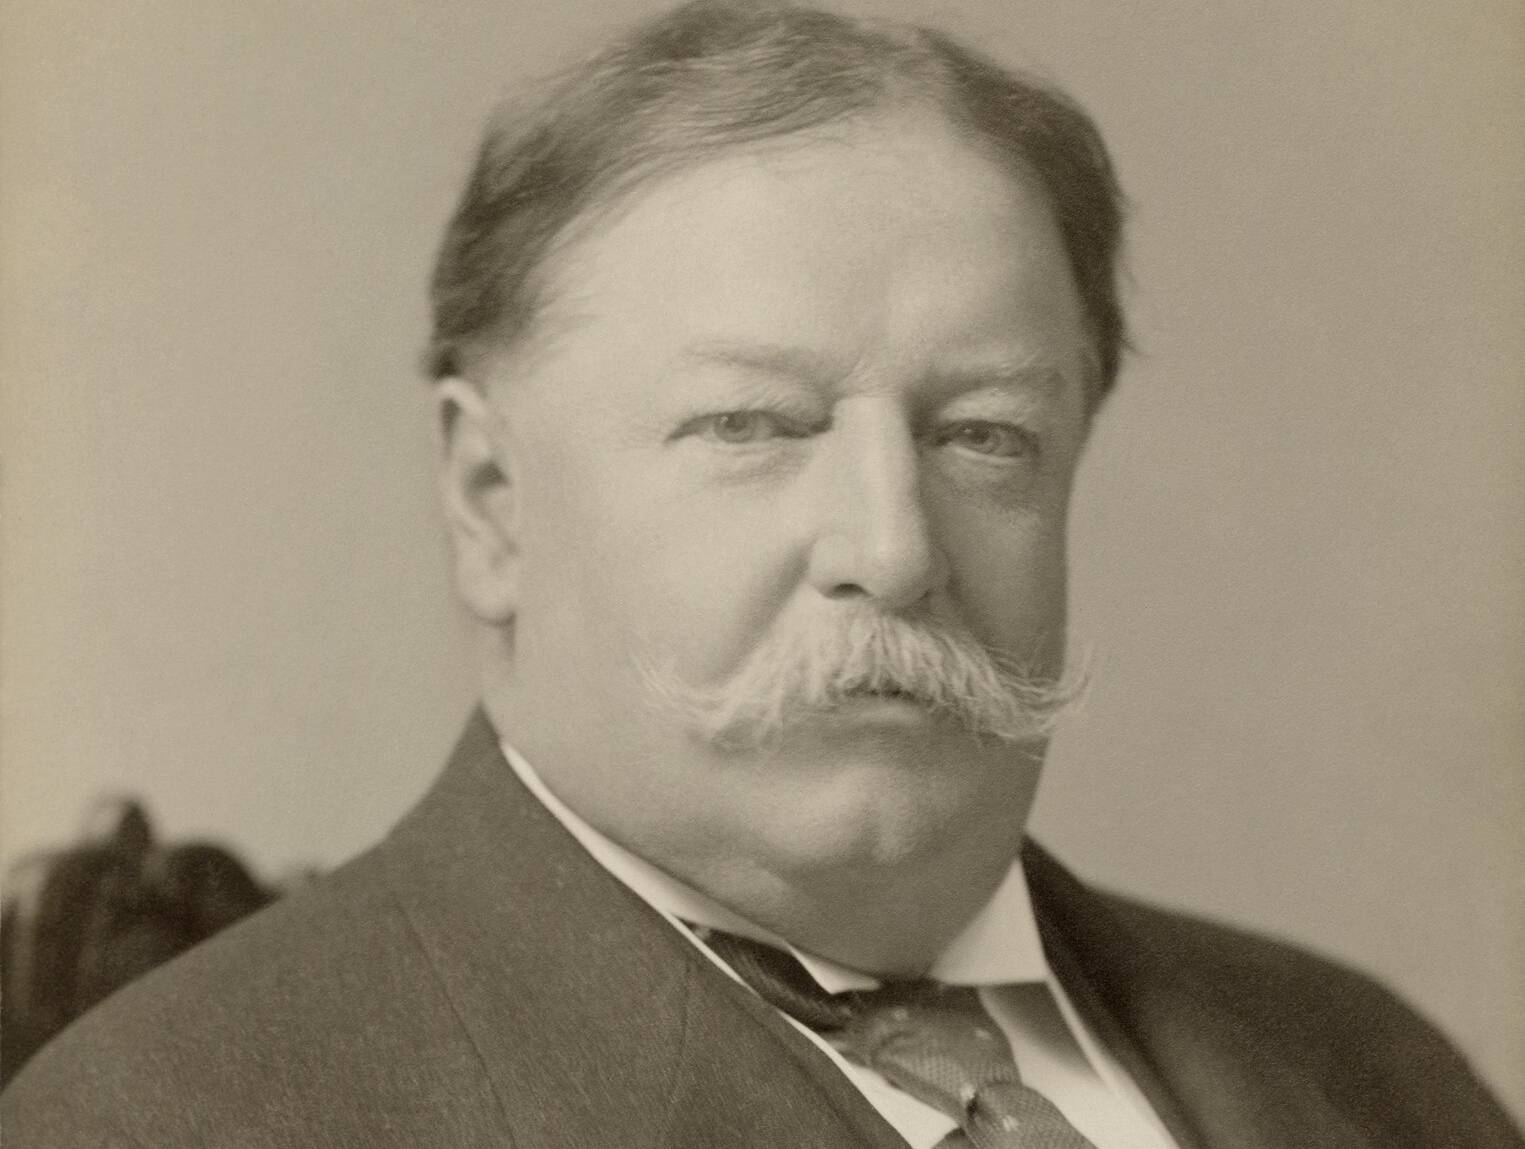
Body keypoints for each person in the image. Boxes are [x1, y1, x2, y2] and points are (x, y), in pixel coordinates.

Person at [3, 3, 1519, 1146]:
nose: (893, 549)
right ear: (489, 499)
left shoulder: (1374, 1074)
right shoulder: (178, 1117)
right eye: (752, 426)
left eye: (984, 434)